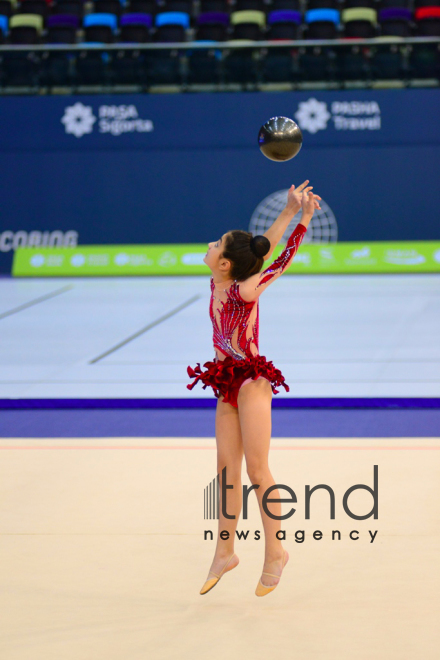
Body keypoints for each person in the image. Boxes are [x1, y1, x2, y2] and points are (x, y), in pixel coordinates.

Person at [187, 181, 321, 597]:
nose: (210, 245)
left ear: (225, 263)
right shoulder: (219, 282)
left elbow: (277, 260)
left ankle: (276, 551)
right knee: (226, 472)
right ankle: (224, 552)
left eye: (216, 245)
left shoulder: (245, 290)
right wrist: (284, 211)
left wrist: (303, 220)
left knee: (257, 471)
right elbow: (261, 246)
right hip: (226, 380)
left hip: (251, 381)